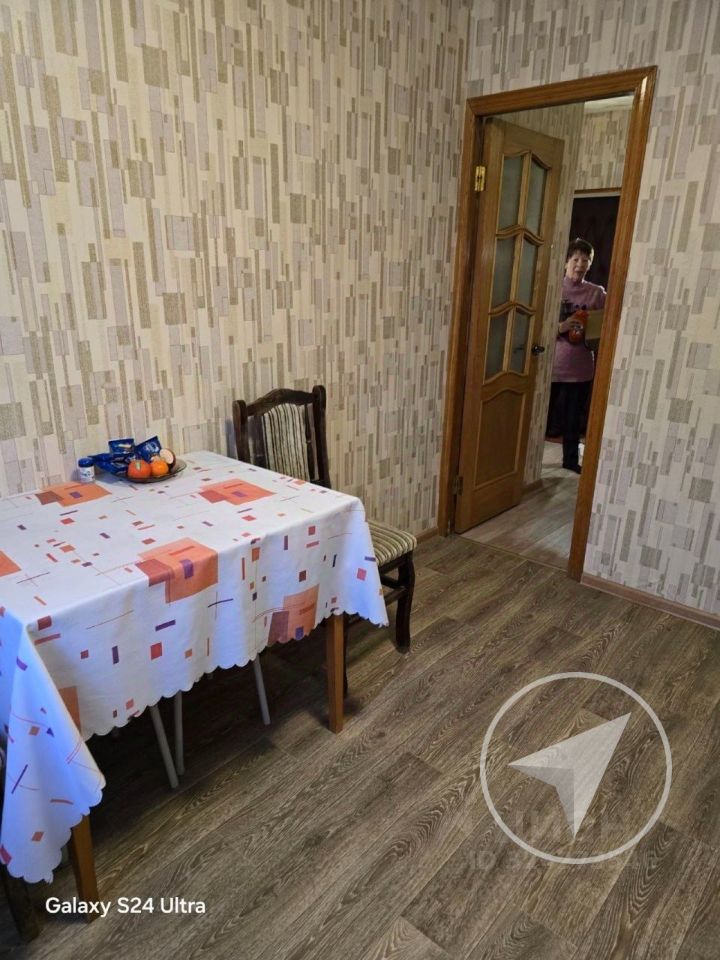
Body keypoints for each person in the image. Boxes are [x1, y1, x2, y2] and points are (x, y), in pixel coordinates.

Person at [548, 238, 606, 474]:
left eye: (585, 260)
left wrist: (590, 331)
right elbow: (535, 325)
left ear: (590, 264)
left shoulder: (597, 293)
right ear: (566, 262)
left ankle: (570, 461)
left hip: (581, 367)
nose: (580, 264)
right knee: (542, 416)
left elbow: (605, 327)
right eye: (575, 259)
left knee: (573, 418)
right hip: (551, 365)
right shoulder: (552, 287)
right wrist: (561, 327)